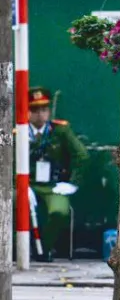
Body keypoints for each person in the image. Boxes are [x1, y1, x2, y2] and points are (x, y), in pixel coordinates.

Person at [26, 86, 88, 262]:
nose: (40, 114)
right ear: (27, 111)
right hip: (27, 185)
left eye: (44, 109)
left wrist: (72, 183)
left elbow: (81, 155)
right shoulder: (19, 132)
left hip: (53, 185)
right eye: (35, 110)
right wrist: (17, 185)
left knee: (59, 211)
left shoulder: (60, 131)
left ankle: (44, 249)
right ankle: (20, 248)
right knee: (14, 206)